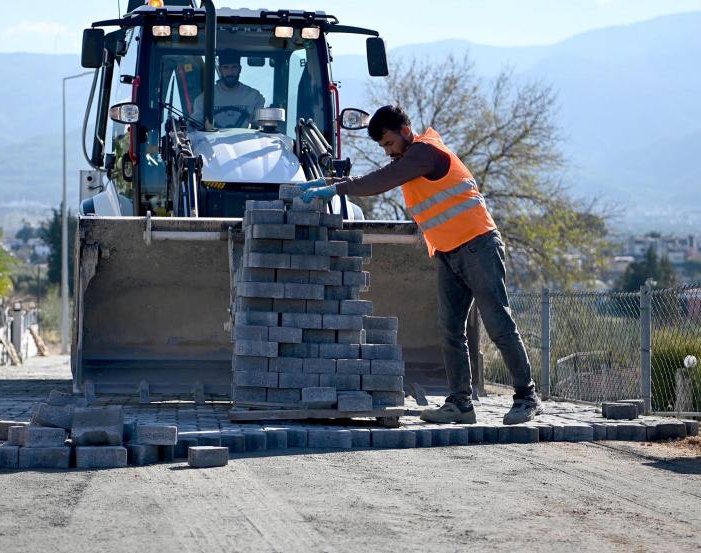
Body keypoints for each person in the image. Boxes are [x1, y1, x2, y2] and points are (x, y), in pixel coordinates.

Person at [299, 105, 542, 425]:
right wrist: (331, 181)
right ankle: (459, 404)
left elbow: (379, 181)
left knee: (498, 324)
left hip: (478, 246)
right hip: (449, 252)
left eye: (388, 143)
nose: (387, 152)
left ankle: (526, 397)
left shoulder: (424, 152)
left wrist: (336, 188)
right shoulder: (408, 160)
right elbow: (387, 177)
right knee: (450, 330)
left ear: (404, 131)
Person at [192, 49, 266, 128]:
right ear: (220, 69)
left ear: (240, 69)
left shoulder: (254, 97)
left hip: (245, 140)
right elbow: (194, 127)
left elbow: (261, 127)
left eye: (234, 67)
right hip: (212, 140)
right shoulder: (204, 99)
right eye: (226, 68)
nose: (230, 72)